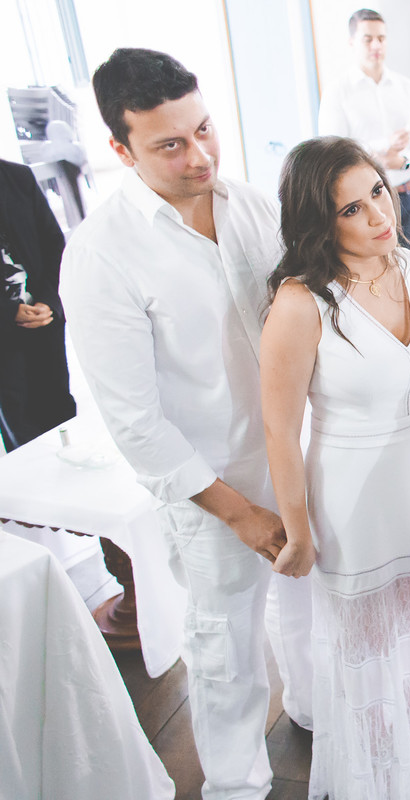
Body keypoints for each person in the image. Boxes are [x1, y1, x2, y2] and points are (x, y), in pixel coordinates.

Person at [59, 48, 313, 799]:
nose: (199, 155)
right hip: (213, 487)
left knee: (305, 607)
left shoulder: (254, 205)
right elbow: (135, 424)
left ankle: (311, 714)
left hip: (296, 458)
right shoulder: (102, 255)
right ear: (120, 150)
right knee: (224, 645)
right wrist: (242, 515)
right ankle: (235, 785)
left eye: (205, 129)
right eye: (170, 144)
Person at [260, 136, 410, 799]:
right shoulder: (301, 303)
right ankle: (381, 772)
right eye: (350, 210)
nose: (375, 216)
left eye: (377, 193)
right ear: (318, 222)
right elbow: (279, 430)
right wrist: (298, 532)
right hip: (352, 493)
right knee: (368, 644)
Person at [318, 8, 410, 253]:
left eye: (381, 38)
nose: (376, 45)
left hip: (406, 197)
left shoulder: (407, 88)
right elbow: (333, 151)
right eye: (368, 39)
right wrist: (383, 148)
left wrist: (403, 161)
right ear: (352, 42)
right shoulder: (337, 92)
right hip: (361, 204)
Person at [0, 158, 75, 450]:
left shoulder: (16, 176)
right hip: (5, 334)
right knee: (19, 420)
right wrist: (7, 312)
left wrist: (49, 300)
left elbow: (54, 245)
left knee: (59, 407)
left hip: (43, 322)